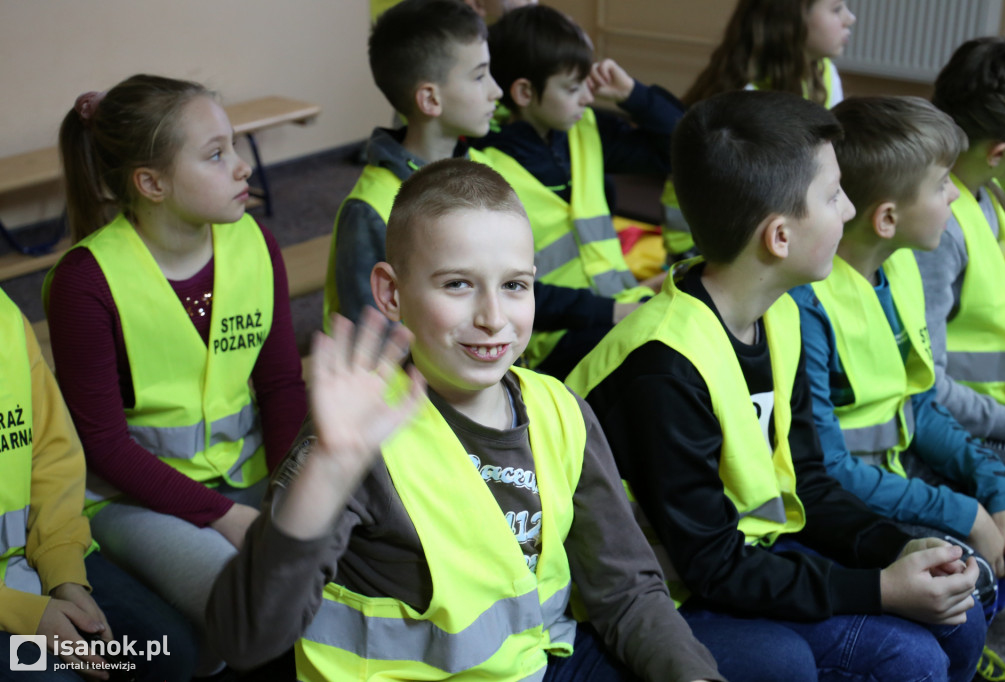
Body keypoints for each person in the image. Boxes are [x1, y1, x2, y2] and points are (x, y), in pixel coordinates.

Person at [208, 158, 724, 682]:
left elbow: (628, 590)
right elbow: (246, 639)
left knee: (770, 659)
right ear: (391, 294)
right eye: (458, 284)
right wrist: (328, 472)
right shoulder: (353, 440)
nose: (493, 317)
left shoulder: (559, 409)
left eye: (515, 286)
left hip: (539, 661)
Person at [566, 90, 986, 682]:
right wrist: (877, 590)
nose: (847, 210)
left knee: (957, 617)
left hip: (751, 557)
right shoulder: (661, 365)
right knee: (904, 656)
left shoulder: (782, 312)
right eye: (833, 194)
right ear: (779, 238)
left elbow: (807, 483)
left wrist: (896, 550)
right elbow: (707, 564)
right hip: (670, 594)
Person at [45, 74, 307, 672]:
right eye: (217, 155)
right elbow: (106, 447)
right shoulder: (86, 281)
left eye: (234, 146)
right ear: (151, 183)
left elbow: (281, 387)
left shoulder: (256, 243)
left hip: (251, 473)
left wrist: (291, 495)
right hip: (137, 497)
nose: (242, 168)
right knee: (253, 605)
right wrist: (232, 518)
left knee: (343, 568)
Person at [790, 96, 1005, 606]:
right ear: (888, 219)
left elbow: (920, 403)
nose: (956, 199)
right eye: (942, 187)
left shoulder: (899, 271)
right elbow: (828, 471)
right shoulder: (807, 305)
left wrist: (995, 489)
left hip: (897, 470)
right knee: (969, 567)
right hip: (846, 498)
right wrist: (966, 513)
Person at [0, 287, 198, 680]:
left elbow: (51, 457)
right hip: (10, 604)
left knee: (165, 653)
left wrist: (65, 576)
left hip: (35, 563)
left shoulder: (5, 314)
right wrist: (25, 615)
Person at [476, 4, 680, 378]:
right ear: (523, 91)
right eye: (573, 88)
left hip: (619, 306)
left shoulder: (582, 129)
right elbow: (505, 289)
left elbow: (683, 149)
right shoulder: (483, 165)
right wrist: (613, 312)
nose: (588, 98)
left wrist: (633, 94)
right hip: (551, 337)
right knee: (665, 359)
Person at [325, 0, 502, 326]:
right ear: (431, 99)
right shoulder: (370, 211)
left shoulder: (483, 171)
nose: (496, 90)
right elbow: (373, 344)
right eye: (479, 77)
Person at [661, 0, 856, 264]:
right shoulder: (744, 96)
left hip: (767, 217)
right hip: (710, 237)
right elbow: (749, 202)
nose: (850, 18)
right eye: (836, 9)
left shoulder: (825, 74)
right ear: (790, 20)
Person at [914, 38, 1005, 477]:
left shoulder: (988, 199)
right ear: (997, 153)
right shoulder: (938, 231)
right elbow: (931, 388)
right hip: (968, 439)